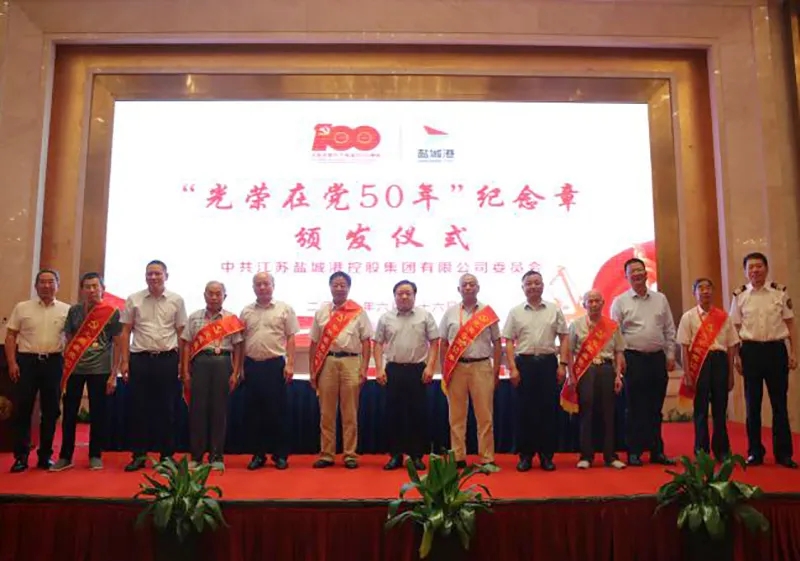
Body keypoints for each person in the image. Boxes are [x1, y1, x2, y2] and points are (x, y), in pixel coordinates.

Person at [729, 252, 797, 468]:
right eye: (751, 267)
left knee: (779, 404)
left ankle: (783, 453)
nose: (755, 270)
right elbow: (735, 327)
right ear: (745, 271)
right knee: (752, 405)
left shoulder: (779, 292)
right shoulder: (740, 295)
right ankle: (754, 452)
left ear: (766, 269)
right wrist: (736, 356)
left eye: (759, 266)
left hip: (776, 350)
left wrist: (793, 352)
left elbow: (790, 324)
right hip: (750, 352)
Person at [120, 260, 188, 471]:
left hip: (167, 360)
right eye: (150, 273)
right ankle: (139, 455)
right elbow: (125, 331)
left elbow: (182, 334)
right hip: (140, 359)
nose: (153, 277)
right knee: (138, 409)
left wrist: (182, 364)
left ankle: (166, 456)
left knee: (167, 409)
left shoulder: (176, 300)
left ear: (166, 276)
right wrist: (124, 361)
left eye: (158, 273)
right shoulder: (134, 299)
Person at [52, 272, 122, 472]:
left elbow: (118, 343)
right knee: (69, 413)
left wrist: (113, 374)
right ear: (81, 289)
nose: (91, 290)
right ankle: (65, 456)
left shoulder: (112, 312)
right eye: (87, 287)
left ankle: (95, 455)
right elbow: (69, 339)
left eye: (95, 286)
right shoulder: (74, 311)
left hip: (100, 369)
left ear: (102, 288)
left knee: (98, 413)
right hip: (75, 368)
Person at [610, 257, 676, 466]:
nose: (637, 274)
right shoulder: (620, 301)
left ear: (646, 273)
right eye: (633, 272)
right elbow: (615, 334)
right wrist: (619, 359)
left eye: (640, 270)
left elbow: (669, 328)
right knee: (634, 407)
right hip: (633, 358)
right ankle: (634, 451)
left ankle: (657, 451)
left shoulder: (660, 299)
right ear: (627, 276)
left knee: (655, 407)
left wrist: (671, 354)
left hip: (657, 358)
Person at [503, 270, 569, 472]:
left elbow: (564, 337)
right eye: (529, 283)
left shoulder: (554, 310)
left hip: (548, 364)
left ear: (542, 285)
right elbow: (508, 341)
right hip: (524, 365)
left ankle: (547, 456)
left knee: (548, 411)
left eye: (537, 283)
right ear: (523, 287)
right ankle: (525, 456)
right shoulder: (515, 312)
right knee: (524, 411)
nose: (533, 286)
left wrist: (563, 364)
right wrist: (512, 368)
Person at [5, 269, 70, 473]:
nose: (46, 286)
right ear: (36, 285)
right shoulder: (22, 307)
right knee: (23, 409)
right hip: (27, 362)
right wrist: (12, 362)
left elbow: (71, 338)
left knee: (51, 411)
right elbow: (10, 336)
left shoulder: (66, 310)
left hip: (54, 362)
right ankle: (21, 457)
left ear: (58, 285)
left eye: (51, 282)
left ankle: (45, 456)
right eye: (42, 282)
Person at [309, 271, 372, 469]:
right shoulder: (321, 312)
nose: (339, 288)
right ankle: (327, 454)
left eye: (343, 285)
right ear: (330, 287)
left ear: (348, 288)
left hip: (351, 362)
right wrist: (312, 370)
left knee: (350, 412)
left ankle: (350, 454)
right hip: (327, 362)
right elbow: (314, 343)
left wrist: (364, 368)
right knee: (326, 412)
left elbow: (366, 342)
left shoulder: (358, 312)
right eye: (335, 285)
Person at [373, 280, 439, 471]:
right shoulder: (386, 318)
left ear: (414, 295)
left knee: (417, 413)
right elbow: (377, 344)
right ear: (394, 296)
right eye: (400, 293)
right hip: (394, 370)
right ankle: (395, 455)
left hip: (417, 370)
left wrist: (430, 367)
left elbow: (435, 342)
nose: (404, 297)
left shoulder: (425, 316)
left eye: (408, 293)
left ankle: (416, 455)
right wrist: (379, 368)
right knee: (393, 414)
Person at [440, 273, 501, 468]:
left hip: (481, 366)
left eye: (472, 284)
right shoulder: (450, 313)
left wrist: (496, 370)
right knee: (456, 415)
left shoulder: (487, 313)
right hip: (456, 367)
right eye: (464, 285)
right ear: (458, 289)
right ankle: (458, 456)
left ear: (478, 288)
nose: (468, 287)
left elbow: (497, 342)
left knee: (485, 416)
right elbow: (443, 343)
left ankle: (487, 457)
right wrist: (444, 370)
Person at [181, 281, 244, 471]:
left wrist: (236, 372)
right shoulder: (194, 317)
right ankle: (197, 456)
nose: (214, 297)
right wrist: (185, 371)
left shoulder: (231, 319)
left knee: (219, 411)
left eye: (218, 294)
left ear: (225, 296)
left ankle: (217, 456)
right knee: (197, 411)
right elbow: (186, 344)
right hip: (200, 363)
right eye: (210, 293)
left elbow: (238, 347)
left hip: (223, 363)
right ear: (204, 295)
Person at [239, 272, 298, 470]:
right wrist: (240, 367)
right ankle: (258, 454)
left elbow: (291, 337)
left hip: (275, 366)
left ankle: (280, 455)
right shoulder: (246, 311)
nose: (262, 287)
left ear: (273, 285)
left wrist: (290, 364)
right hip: (252, 365)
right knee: (254, 413)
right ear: (253, 287)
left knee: (278, 412)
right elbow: (241, 341)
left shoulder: (284, 309)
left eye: (266, 283)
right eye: (258, 284)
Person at [676, 278, 739, 461]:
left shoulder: (723, 317)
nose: (705, 291)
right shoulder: (688, 317)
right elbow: (684, 348)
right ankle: (701, 451)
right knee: (700, 410)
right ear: (694, 293)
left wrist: (730, 373)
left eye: (708, 288)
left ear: (713, 291)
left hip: (720, 361)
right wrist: (687, 374)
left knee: (720, 409)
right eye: (700, 288)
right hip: (700, 366)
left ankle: (722, 450)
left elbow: (731, 346)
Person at [565, 289, 626, 469]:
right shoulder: (576, 325)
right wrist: (571, 375)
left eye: (597, 301)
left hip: (607, 369)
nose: (593, 304)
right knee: (586, 412)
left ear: (603, 303)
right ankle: (586, 456)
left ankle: (610, 456)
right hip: (586, 371)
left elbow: (619, 351)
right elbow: (569, 352)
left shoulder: (612, 326)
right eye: (590, 301)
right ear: (584, 304)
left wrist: (618, 375)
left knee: (608, 413)